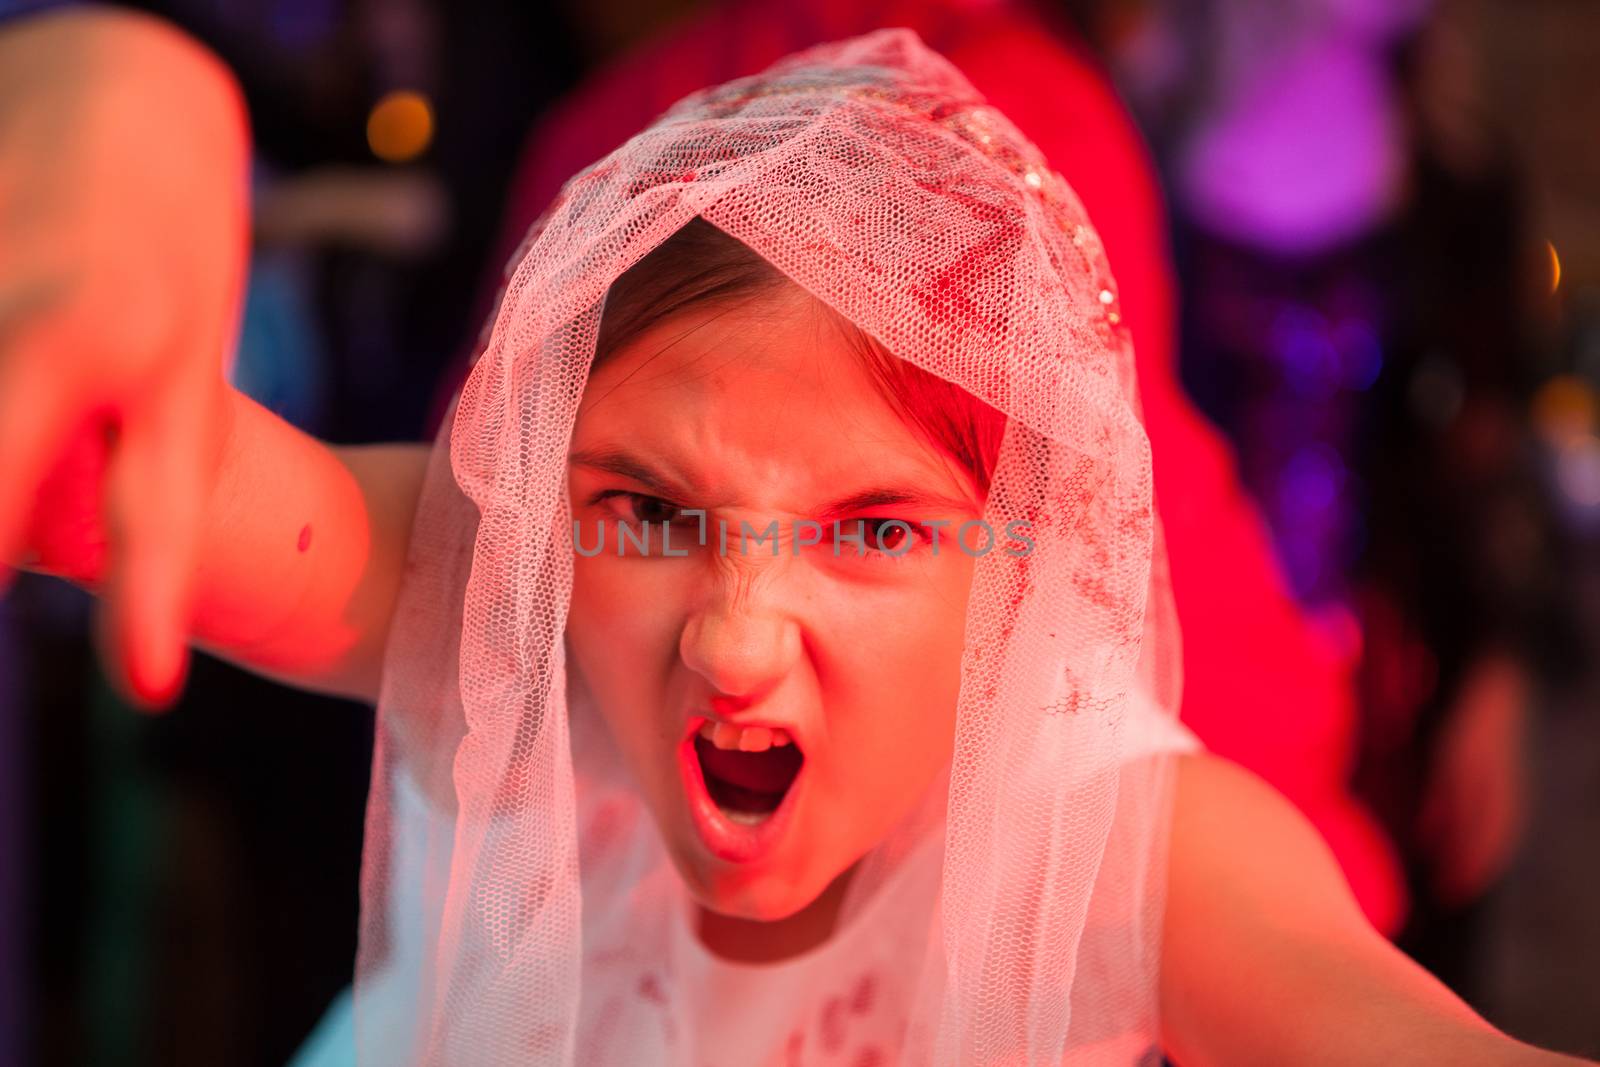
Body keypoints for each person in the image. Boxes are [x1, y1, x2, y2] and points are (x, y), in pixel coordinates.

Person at [0, 9, 1591, 1066]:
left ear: (1023, 558)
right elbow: (100, 465)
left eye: (878, 529)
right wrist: (114, 95)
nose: (736, 638)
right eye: (650, 510)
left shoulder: (1124, 847)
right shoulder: (515, 592)